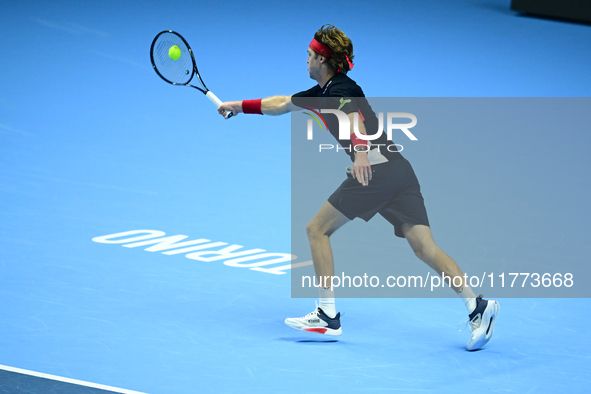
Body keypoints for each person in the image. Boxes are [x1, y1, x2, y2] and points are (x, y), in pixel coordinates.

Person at [218, 24, 499, 351]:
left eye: (309, 56)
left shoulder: (341, 88)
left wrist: (361, 153)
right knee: (424, 248)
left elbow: (352, 116)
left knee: (316, 230)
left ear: (322, 61)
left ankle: (327, 315)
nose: (305, 61)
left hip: (375, 172)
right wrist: (237, 105)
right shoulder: (320, 93)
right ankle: (477, 305)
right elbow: (280, 103)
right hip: (399, 171)